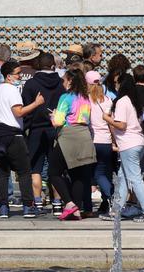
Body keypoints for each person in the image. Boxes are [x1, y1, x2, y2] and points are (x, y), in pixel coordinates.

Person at [0, 61, 45, 218]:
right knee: (24, 171)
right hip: (13, 135)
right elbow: (18, 112)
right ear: (9, 76)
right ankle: (27, 206)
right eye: (17, 73)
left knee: (2, 172)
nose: (20, 76)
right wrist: (36, 103)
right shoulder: (12, 91)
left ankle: (3, 206)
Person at [103, 66, 144, 223]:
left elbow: (121, 125)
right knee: (124, 177)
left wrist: (107, 119)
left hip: (128, 144)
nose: (116, 86)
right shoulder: (134, 101)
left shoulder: (122, 101)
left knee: (134, 178)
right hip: (138, 142)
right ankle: (116, 210)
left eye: (117, 84)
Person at [48, 68, 96, 221]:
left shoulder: (66, 97)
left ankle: (69, 203)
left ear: (69, 81)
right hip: (84, 136)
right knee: (78, 175)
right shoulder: (86, 98)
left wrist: (53, 115)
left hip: (69, 136)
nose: (63, 82)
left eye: (64, 80)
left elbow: (58, 122)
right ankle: (77, 207)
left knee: (53, 172)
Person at [21, 52, 66, 210]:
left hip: (36, 129)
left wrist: (25, 128)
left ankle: (37, 201)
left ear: (37, 66)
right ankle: (57, 202)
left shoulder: (31, 84)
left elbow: (26, 108)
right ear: (53, 65)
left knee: (36, 167)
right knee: (56, 168)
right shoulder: (61, 84)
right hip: (56, 129)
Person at [87, 70, 115, 216]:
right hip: (107, 141)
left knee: (97, 174)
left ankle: (111, 196)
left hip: (93, 140)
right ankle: (107, 202)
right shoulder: (108, 100)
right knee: (107, 172)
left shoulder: (87, 100)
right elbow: (112, 123)